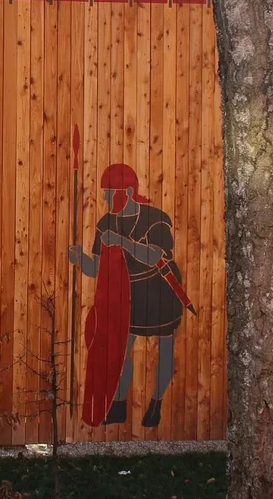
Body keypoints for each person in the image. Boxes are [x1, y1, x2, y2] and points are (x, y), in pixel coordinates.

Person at [67, 163, 189, 429]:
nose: (106, 198)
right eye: (105, 193)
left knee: (165, 349)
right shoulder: (105, 223)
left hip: (159, 291)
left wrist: (123, 242)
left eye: (111, 192)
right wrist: (80, 260)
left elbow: (156, 255)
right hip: (127, 294)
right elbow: (96, 269)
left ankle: (156, 403)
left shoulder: (156, 218)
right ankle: (119, 404)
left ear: (129, 191)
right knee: (122, 351)